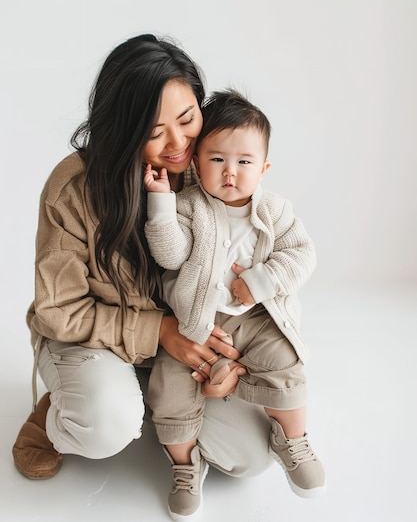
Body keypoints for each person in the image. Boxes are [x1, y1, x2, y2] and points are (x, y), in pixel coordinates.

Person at [11, 35, 276, 519]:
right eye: (155, 132)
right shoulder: (73, 188)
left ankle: (160, 406)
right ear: (123, 128)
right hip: (89, 339)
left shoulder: (217, 167)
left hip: (184, 352)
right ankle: (58, 416)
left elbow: (253, 272)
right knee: (106, 423)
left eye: (188, 118)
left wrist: (231, 363)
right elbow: (58, 309)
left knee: (252, 455)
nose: (178, 146)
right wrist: (158, 331)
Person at [144, 89, 326, 517]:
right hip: (195, 321)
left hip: (259, 316)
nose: (231, 173)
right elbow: (169, 255)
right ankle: (186, 466)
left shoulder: (276, 211)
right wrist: (160, 204)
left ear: (262, 168)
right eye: (217, 160)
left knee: (286, 358)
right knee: (171, 387)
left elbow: (303, 254)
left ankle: (293, 441)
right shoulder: (188, 206)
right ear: (195, 163)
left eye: (244, 162)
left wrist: (263, 280)